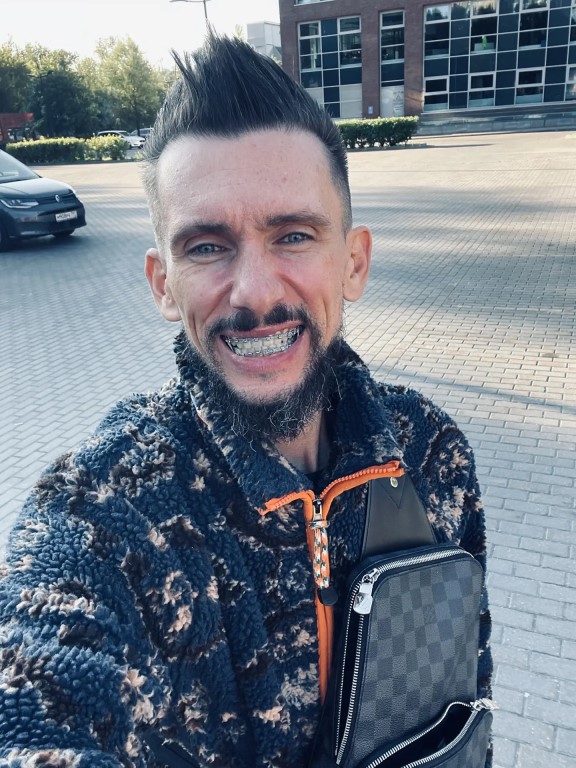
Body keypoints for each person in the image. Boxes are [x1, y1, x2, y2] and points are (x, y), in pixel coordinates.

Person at [0, 34, 492, 768]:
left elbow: (469, 698)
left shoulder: (431, 450)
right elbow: (31, 704)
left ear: (353, 262)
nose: (255, 293)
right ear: (163, 284)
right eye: (206, 246)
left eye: (293, 235)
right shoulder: (105, 510)